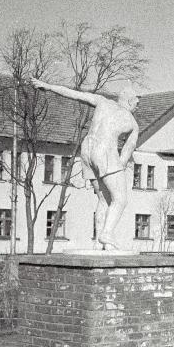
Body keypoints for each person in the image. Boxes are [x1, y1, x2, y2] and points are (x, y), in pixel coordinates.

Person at [31, 78, 139, 250]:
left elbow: (75, 95)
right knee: (120, 199)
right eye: (136, 103)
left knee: (104, 198)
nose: (137, 107)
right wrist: (117, 168)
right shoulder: (132, 122)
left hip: (87, 149)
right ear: (128, 101)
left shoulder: (102, 101)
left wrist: (49, 86)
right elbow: (126, 152)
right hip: (105, 150)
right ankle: (107, 233)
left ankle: (99, 243)